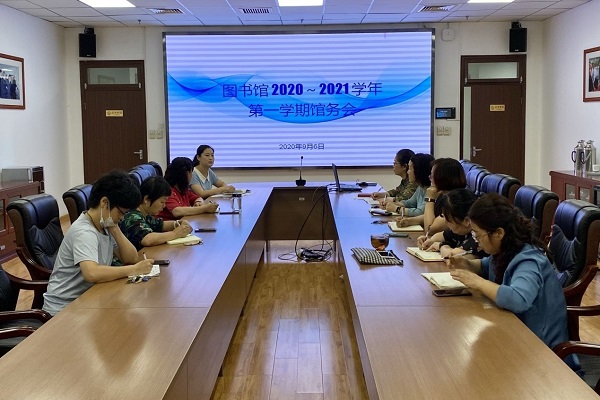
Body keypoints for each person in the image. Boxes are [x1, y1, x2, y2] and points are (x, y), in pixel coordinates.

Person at [448, 194, 569, 353]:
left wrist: (478, 282)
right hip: (515, 334)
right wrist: (467, 264)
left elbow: (518, 299)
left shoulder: (529, 260)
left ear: (498, 233)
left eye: (478, 235)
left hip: (541, 350)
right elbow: (487, 266)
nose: (477, 241)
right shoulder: (505, 250)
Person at [42, 171, 154, 316]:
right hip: (64, 310)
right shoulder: (84, 232)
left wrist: (115, 228)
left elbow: (131, 258)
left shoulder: (105, 225)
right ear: (104, 203)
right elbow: (91, 273)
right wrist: (133, 270)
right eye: (121, 212)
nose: (122, 218)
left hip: (89, 300)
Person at [119, 176, 194, 250]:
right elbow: (147, 239)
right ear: (146, 199)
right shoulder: (132, 216)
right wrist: (175, 234)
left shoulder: (145, 214)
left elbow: (160, 225)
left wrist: (178, 223)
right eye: (162, 202)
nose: (164, 206)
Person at [417, 188, 487, 262]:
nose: (446, 223)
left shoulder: (477, 236)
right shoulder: (460, 230)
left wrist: (441, 246)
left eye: (449, 220)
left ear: (466, 221)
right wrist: (428, 241)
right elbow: (440, 236)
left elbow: (452, 257)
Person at [387, 153, 435, 227]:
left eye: (410, 168)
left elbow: (420, 212)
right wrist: (394, 204)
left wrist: (396, 208)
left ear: (418, 171)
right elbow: (410, 203)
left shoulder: (432, 191)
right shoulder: (421, 187)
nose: (408, 172)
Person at [421, 158, 466, 235]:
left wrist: (430, 199)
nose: (430, 179)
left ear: (442, 178)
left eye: (432, 176)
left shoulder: (457, 201)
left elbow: (429, 229)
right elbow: (433, 216)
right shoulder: (443, 195)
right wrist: (410, 221)